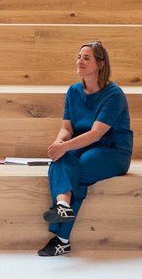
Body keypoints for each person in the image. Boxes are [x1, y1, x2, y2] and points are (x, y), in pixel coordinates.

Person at [37, 41, 132, 256]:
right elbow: (67, 128)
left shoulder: (114, 94)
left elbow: (96, 134)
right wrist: (59, 144)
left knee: (77, 169)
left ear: (101, 64)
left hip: (112, 150)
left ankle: (62, 239)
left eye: (86, 58)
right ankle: (63, 206)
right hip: (81, 145)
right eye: (79, 57)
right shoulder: (73, 91)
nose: (80, 61)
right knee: (61, 159)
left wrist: (64, 147)